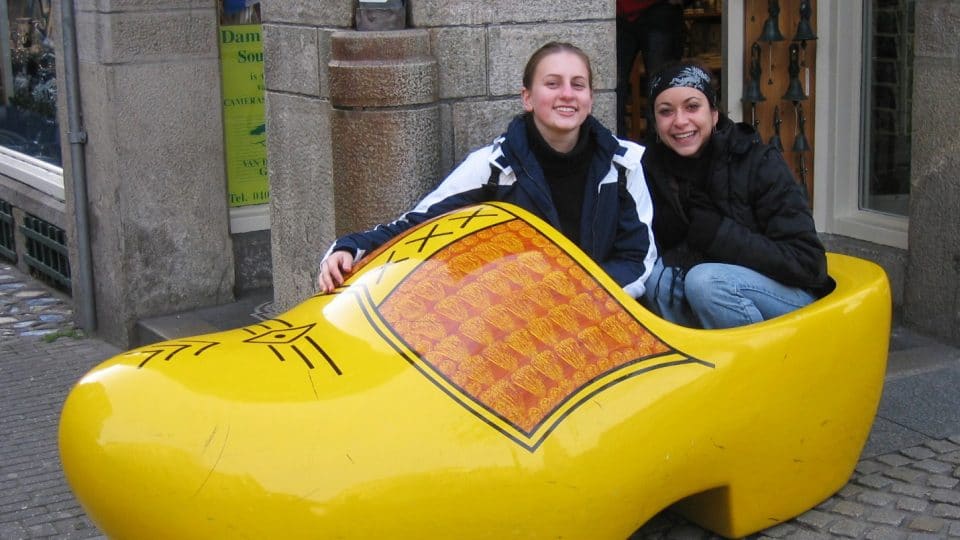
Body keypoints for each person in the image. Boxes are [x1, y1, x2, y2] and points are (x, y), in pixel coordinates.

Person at [317, 41, 658, 300]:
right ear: (528, 98)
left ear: (590, 97)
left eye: (577, 84)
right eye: (552, 84)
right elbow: (418, 225)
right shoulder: (493, 167)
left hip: (603, 315)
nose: (566, 94)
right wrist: (349, 248)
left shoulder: (623, 164)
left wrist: (582, 296)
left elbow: (638, 257)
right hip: (515, 322)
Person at [640, 61, 834, 329]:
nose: (680, 121)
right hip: (719, 289)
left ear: (714, 113)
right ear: (655, 122)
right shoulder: (650, 168)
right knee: (656, 279)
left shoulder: (759, 162)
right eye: (666, 111)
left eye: (692, 106)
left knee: (706, 283)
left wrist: (720, 235)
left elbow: (808, 264)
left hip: (789, 294)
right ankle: (705, 362)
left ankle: (760, 368)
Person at [616, 0, 686, 139]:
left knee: (662, 87)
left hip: (660, 11)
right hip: (618, 12)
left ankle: (659, 150)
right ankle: (615, 150)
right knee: (613, 88)